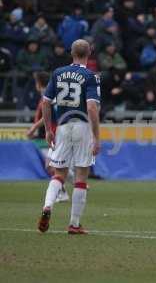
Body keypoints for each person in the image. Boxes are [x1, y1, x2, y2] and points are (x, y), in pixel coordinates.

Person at [37, 39, 101, 235]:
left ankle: (48, 206)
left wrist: (48, 129)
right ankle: (74, 224)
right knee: (81, 176)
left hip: (63, 127)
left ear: (71, 53)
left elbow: (46, 103)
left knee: (59, 174)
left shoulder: (57, 73)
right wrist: (97, 137)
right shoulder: (90, 76)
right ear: (88, 53)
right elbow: (91, 107)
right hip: (82, 126)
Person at [26, 71, 70, 203]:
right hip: (60, 131)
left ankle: (65, 191)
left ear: (39, 84)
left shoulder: (48, 94)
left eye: (36, 82)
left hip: (58, 132)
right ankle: (74, 184)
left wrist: (34, 127)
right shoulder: (51, 93)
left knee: (51, 165)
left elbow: (48, 114)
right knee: (54, 164)